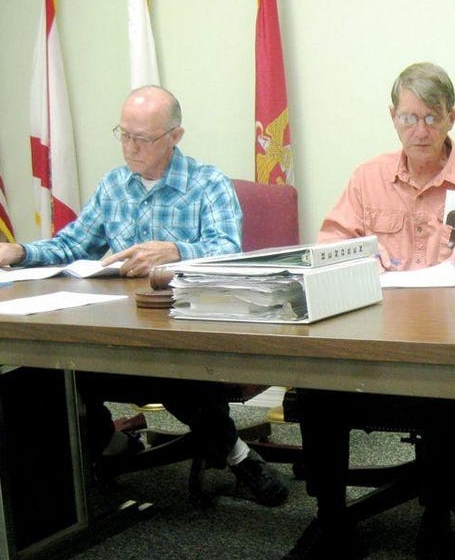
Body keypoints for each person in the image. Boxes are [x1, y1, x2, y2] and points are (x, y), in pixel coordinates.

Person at [268, 62, 455, 560]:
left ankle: (437, 528)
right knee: (317, 387)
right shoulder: (368, 176)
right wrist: (351, 262)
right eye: (409, 117)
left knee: (447, 395)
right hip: (374, 337)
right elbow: (328, 247)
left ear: (451, 118)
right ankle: (331, 524)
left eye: (431, 118)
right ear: (393, 117)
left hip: (454, 342)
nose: (420, 130)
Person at [0, 85, 289, 507]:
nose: (130, 148)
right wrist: (20, 251)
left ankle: (238, 457)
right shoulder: (115, 186)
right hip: (119, 321)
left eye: (143, 138)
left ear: (174, 136)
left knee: (171, 371)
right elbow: (72, 246)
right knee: (54, 370)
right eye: (124, 134)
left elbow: (230, 251)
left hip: (185, 324)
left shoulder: (207, 184)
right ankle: (106, 449)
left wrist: (176, 251)